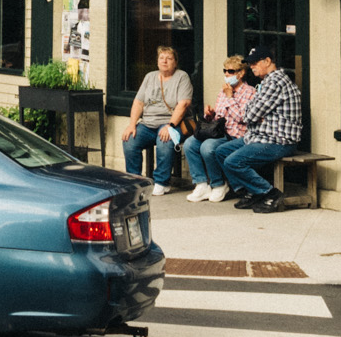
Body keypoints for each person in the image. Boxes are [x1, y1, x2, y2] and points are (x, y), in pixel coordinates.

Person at [216, 50, 302, 213]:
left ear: (267, 61)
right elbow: (251, 112)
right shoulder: (265, 82)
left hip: (278, 140)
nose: (251, 67)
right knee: (221, 151)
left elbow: (249, 114)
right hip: (259, 136)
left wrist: (255, 113)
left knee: (233, 161)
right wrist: (255, 113)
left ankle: (270, 193)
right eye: (250, 63)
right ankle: (249, 191)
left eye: (255, 63)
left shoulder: (275, 81)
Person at [121, 45, 194, 194]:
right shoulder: (150, 77)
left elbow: (184, 104)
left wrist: (170, 125)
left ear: (175, 62)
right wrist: (132, 124)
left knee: (165, 139)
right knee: (129, 139)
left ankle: (162, 182)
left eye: (169, 58)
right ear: (157, 61)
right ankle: (135, 180)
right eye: (161, 58)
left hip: (172, 123)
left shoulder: (182, 77)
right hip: (148, 124)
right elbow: (138, 102)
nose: (164, 61)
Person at [182, 54, 254, 202]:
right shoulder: (223, 91)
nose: (227, 74)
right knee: (190, 144)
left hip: (236, 135)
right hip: (219, 132)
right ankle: (201, 184)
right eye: (225, 71)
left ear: (241, 73)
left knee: (208, 147)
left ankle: (219, 184)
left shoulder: (250, 92)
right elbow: (220, 117)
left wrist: (230, 98)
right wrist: (211, 115)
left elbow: (242, 118)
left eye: (231, 71)